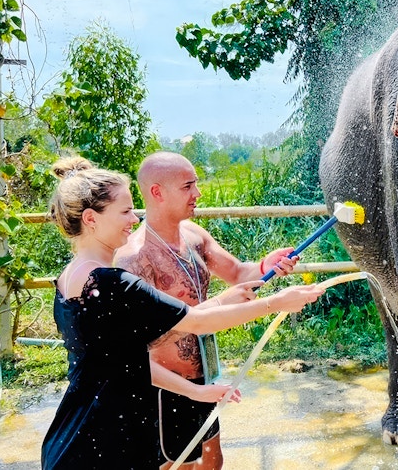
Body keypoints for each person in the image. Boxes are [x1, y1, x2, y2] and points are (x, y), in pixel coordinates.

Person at [41, 155, 324, 470]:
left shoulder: (68, 280)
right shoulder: (115, 278)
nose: (133, 219)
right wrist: (276, 303)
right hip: (106, 443)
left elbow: (125, 364)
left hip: (79, 433)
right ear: (92, 219)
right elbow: (195, 322)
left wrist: (196, 391)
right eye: (124, 211)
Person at [113, 151, 303, 470]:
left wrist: (265, 265)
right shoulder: (133, 257)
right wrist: (226, 303)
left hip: (206, 376)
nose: (197, 194)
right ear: (157, 192)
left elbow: (238, 274)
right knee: (179, 466)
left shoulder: (194, 235)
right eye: (188, 186)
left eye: (196, 185)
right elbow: (136, 341)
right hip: (167, 389)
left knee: (213, 463)